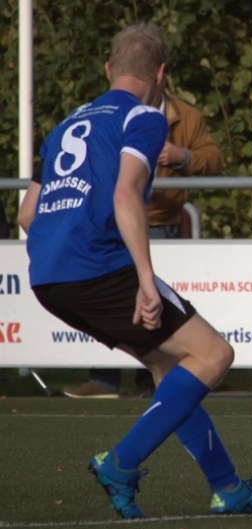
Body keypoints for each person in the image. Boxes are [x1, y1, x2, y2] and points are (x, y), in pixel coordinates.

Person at [17, 23, 252, 518]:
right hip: (98, 265)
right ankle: (120, 463)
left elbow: (26, 215)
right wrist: (145, 280)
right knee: (214, 355)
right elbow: (125, 194)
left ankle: (228, 489)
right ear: (162, 72)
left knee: (170, 368)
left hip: (48, 277)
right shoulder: (144, 116)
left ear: (108, 69)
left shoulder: (64, 126)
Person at [63, 70, 225, 400]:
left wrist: (181, 156)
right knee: (120, 306)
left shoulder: (185, 116)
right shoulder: (108, 115)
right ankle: (104, 379)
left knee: (154, 309)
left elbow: (214, 159)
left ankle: (150, 382)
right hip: (113, 225)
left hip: (161, 224)